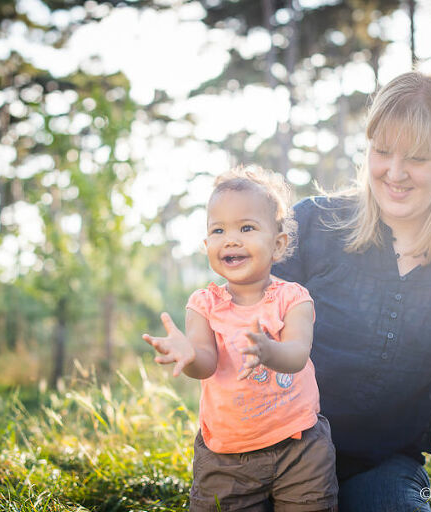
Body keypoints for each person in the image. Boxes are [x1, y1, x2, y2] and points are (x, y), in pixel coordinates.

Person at [273, 71, 431, 512]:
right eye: (382, 151)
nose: (394, 173)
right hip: (281, 454)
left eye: (416, 157)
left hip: (382, 468)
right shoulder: (310, 226)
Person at [143, 166, 338, 512]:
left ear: (278, 244)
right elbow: (206, 364)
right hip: (226, 457)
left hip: (299, 447)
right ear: (207, 245)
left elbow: (297, 354)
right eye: (218, 230)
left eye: (246, 228)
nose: (230, 239)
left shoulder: (293, 298)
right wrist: (189, 355)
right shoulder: (204, 305)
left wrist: (268, 350)